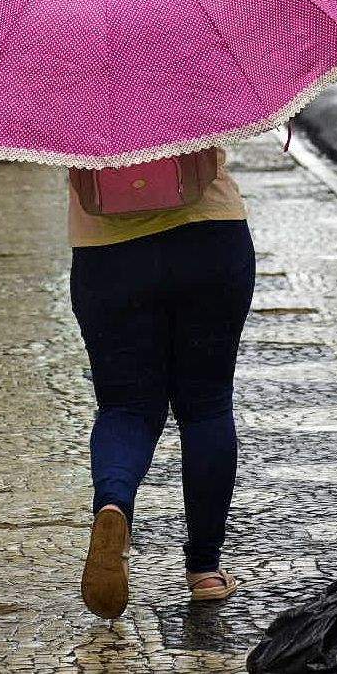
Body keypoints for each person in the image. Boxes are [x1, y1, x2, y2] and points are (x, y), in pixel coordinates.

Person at [70, 153, 255, 619]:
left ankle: (113, 507)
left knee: (125, 407)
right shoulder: (196, 74)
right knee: (207, 407)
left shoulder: (61, 80)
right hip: (210, 238)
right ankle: (205, 570)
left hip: (107, 253)